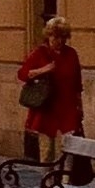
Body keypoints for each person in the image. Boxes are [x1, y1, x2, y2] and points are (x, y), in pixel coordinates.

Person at [15, 15, 82, 162]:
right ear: (49, 36)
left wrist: (79, 107)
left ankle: (66, 181)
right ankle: (48, 181)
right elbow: (23, 74)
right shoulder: (40, 53)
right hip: (47, 107)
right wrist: (43, 70)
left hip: (67, 106)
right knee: (47, 151)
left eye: (63, 38)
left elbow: (77, 83)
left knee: (69, 148)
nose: (60, 41)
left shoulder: (71, 54)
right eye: (56, 38)